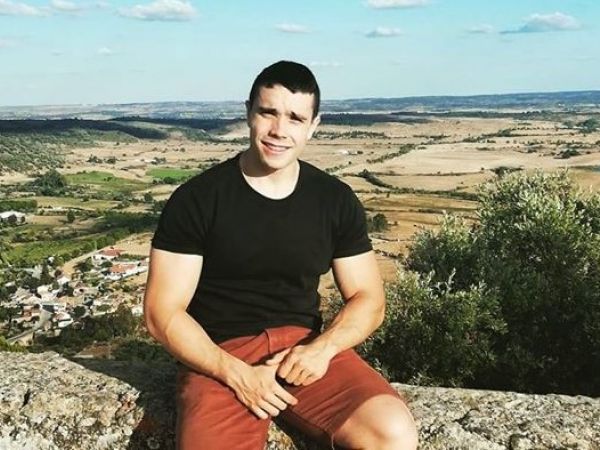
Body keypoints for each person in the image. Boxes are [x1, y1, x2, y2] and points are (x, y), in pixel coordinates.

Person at [144, 60, 418, 450]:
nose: (279, 130)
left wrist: (322, 349)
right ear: (248, 113)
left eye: (295, 118)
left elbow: (369, 299)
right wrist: (235, 374)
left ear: (313, 125)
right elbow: (162, 313)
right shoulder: (198, 200)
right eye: (268, 112)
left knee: (392, 431)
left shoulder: (334, 200)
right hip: (220, 356)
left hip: (303, 349)